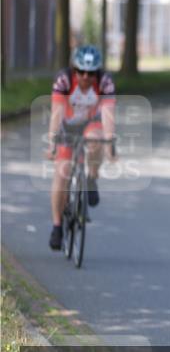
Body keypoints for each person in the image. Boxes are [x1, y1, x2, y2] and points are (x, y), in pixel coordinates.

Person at [47, 45, 116, 250]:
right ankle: (57, 226)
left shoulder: (105, 82)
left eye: (91, 72)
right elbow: (56, 113)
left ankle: (92, 179)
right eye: (81, 71)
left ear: (98, 72)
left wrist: (110, 142)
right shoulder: (64, 80)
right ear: (74, 69)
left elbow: (108, 114)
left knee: (97, 140)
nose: (86, 76)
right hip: (67, 126)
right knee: (62, 174)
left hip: (91, 123)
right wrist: (52, 143)